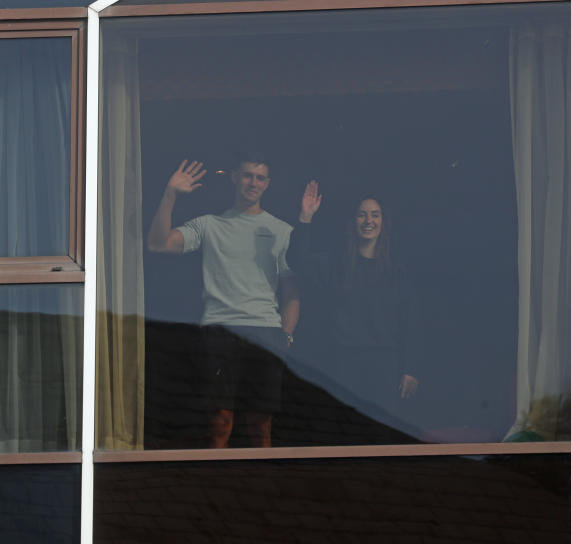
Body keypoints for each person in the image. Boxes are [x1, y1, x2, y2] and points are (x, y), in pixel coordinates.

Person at [147, 155, 299, 448]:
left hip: (265, 330)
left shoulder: (282, 230)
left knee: (261, 424)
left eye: (259, 177)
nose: (252, 183)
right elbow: (157, 244)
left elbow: (291, 291)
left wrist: (286, 335)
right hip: (219, 328)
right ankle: (216, 483)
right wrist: (170, 195)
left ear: (267, 184)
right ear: (234, 177)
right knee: (219, 421)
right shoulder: (209, 224)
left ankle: (263, 487)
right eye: (247, 175)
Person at [288, 180, 417, 441]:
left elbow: (411, 322)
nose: (368, 221)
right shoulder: (336, 264)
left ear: (383, 222)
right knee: (344, 432)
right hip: (342, 363)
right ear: (353, 221)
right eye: (362, 214)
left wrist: (411, 368)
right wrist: (305, 217)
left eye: (375, 215)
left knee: (380, 434)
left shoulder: (397, 271)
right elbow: (298, 261)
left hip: (383, 364)